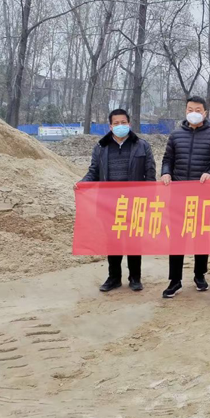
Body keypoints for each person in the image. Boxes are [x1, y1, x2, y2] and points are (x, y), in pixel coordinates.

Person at [77, 108, 156, 292]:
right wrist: (83, 183)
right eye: (116, 123)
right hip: (109, 203)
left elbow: (150, 174)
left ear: (129, 124)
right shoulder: (100, 147)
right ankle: (114, 277)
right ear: (110, 126)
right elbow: (94, 171)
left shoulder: (142, 146)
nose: (120, 126)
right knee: (113, 241)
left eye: (123, 122)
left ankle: (135, 277)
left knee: (134, 241)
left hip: (134, 202)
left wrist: (149, 199)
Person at [160, 96, 210, 299]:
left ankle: (200, 275)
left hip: (203, 194)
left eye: (198, 110)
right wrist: (166, 172)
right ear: (185, 111)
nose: (194, 113)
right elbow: (167, 159)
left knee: (201, 236)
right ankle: (175, 280)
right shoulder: (175, 135)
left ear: (205, 113)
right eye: (190, 109)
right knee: (177, 238)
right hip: (178, 194)